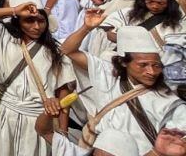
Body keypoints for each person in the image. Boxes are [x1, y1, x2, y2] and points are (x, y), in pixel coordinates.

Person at [60, 14, 186, 155]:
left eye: (156, 65)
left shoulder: (169, 101)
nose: (151, 71)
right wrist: (86, 28)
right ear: (124, 62)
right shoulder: (107, 74)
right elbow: (68, 50)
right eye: (143, 65)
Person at [0, 0, 76, 156]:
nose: (36, 26)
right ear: (17, 21)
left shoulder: (55, 52)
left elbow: (63, 92)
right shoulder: (4, 38)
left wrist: (62, 134)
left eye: (41, 21)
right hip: (5, 115)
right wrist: (14, 10)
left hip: (38, 120)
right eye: (29, 20)